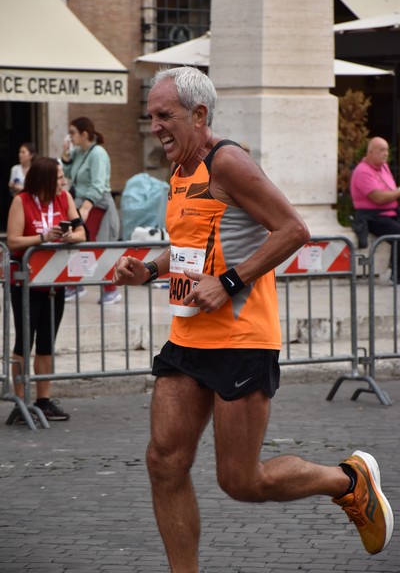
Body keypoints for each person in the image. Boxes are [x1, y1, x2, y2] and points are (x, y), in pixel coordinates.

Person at [113, 67, 394, 571]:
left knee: (241, 481)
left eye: (164, 115)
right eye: (151, 115)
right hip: (188, 337)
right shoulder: (179, 169)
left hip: (242, 338)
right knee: (164, 462)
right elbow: (188, 246)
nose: (154, 126)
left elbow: (293, 229)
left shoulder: (229, 162)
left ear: (200, 115)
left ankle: (348, 481)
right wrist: (147, 269)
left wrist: (228, 283)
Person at [6, 157, 86, 423]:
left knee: (46, 342)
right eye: (59, 177)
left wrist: (67, 237)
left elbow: (81, 232)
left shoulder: (64, 198)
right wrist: (43, 238)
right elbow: (14, 240)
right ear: (45, 179)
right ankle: (20, 402)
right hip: (26, 283)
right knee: (23, 341)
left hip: (55, 282)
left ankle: (44, 400)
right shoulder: (22, 201)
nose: (63, 182)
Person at [61, 116, 121, 304]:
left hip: (97, 205)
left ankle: (110, 289)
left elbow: (98, 184)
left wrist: (85, 208)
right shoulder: (80, 152)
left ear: (84, 134)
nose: (70, 137)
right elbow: (70, 175)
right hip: (83, 204)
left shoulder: (98, 154)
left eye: (72, 133)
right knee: (80, 243)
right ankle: (75, 285)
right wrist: (65, 155)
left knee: (96, 245)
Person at [350, 136, 400, 281]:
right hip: (372, 217)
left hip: (390, 212)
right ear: (370, 153)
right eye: (382, 150)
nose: (386, 153)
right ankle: (397, 276)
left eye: (387, 150)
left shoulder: (383, 167)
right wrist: (398, 192)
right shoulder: (362, 171)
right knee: (398, 234)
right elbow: (379, 198)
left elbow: (389, 191)